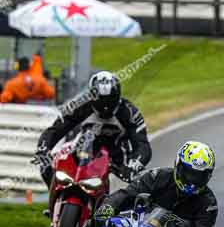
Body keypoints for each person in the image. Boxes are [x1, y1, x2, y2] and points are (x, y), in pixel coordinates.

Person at [34, 70, 152, 203]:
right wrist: (43, 148)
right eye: (101, 101)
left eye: (110, 100)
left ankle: (119, 211)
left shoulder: (130, 112)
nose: (105, 107)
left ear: (117, 96)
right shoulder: (80, 106)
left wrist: (134, 165)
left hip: (117, 154)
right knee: (45, 165)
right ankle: (56, 199)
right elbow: (55, 130)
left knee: (144, 183)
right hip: (84, 148)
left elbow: (143, 145)